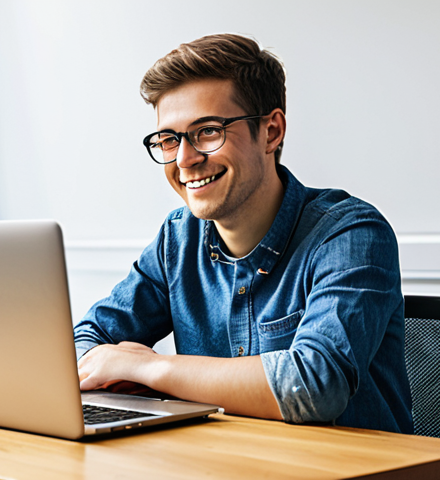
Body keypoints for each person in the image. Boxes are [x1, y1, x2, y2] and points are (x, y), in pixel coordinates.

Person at [74, 33, 413, 433]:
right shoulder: (177, 238)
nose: (184, 160)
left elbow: (316, 384)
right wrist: (118, 367)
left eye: (207, 132)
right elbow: (86, 343)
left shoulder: (351, 235)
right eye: (169, 139)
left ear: (271, 132)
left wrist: (149, 367)